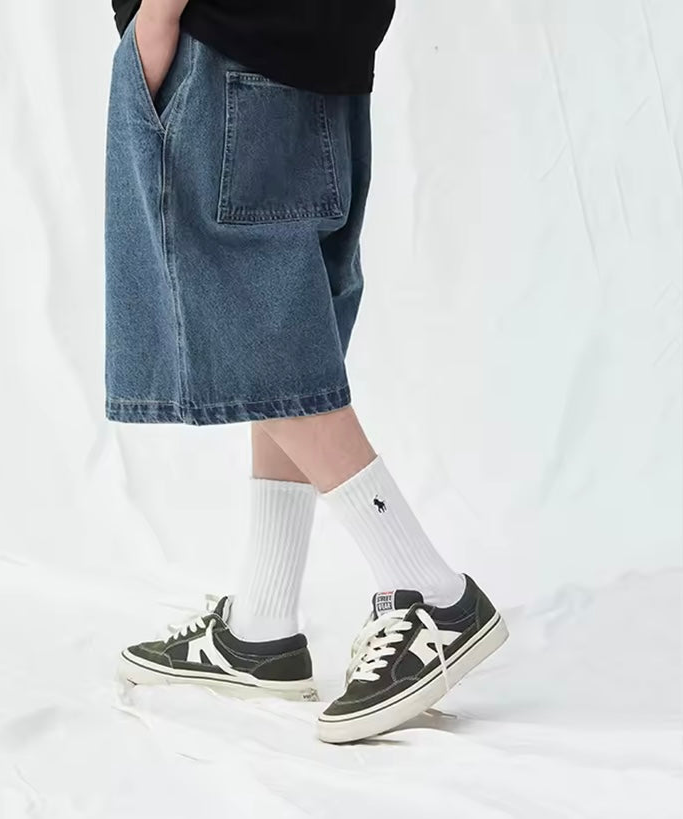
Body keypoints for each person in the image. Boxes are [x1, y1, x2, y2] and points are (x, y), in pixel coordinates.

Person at [106, 0, 508, 744]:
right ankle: (261, 629)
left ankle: (432, 593)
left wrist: (156, 18)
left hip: (222, 48)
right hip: (322, 55)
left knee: (252, 332)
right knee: (281, 329)